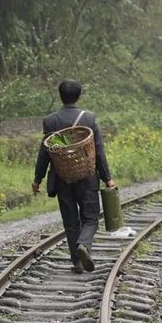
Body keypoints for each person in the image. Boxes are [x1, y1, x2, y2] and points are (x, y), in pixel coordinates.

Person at [32, 80, 115, 273]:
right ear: (78, 96)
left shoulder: (51, 120)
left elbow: (45, 152)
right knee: (91, 218)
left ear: (61, 96)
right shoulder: (89, 119)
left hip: (62, 178)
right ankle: (84, 245)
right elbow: (99, 151)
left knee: (70, 221)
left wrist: (38, 178)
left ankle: (76, 262)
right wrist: (107, 178)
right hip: (86, 177)